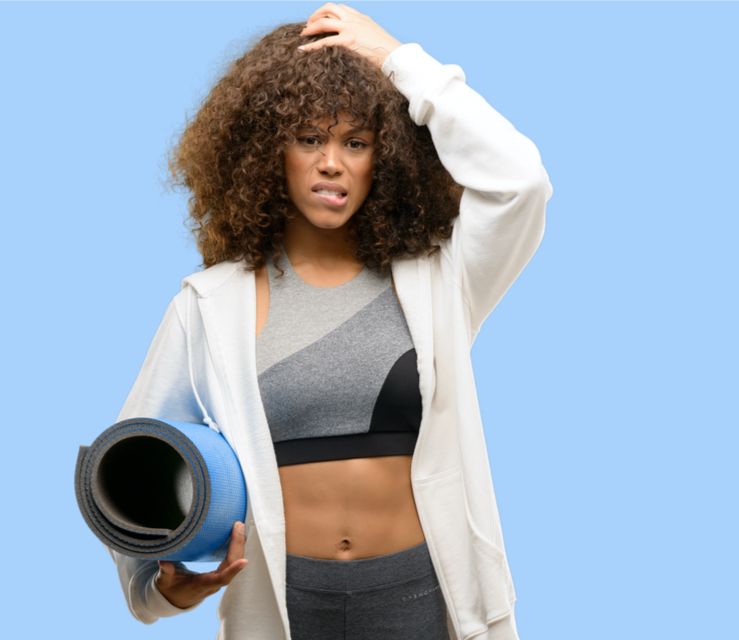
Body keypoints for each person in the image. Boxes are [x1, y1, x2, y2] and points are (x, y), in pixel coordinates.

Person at [106, 3, 552, 639]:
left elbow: (521, 182)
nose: (332, 163)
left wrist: (399, 60)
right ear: (267, 150)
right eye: (309, 138)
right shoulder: (209, 306)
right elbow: (133, 458)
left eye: (357, 142)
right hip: (284, 607)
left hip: (422, 596)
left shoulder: (438, 280)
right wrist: (160, 588)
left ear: (386, 157)